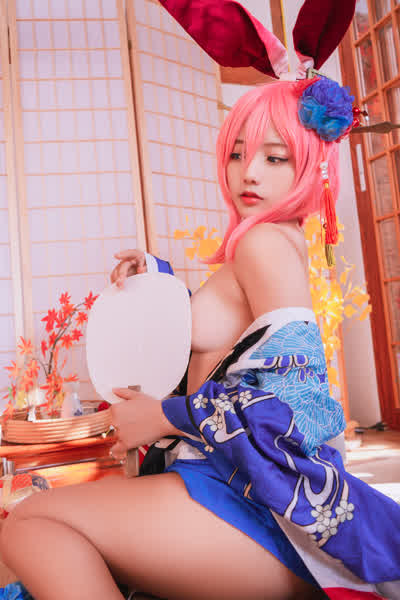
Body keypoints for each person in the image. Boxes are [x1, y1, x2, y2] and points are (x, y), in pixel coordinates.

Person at [0, 78, 399, 600]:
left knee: (30, 523)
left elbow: (298, 404)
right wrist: (159, 279)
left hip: (255, 504)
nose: (249, 172)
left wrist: (165, 416)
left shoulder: (261, 243)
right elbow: (234, 342)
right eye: (237, 153)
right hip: (234, 483)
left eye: (274, 158)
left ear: (310, 165)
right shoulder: (274, 241)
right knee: (39, 535)